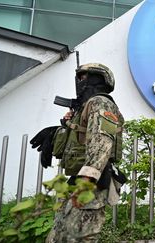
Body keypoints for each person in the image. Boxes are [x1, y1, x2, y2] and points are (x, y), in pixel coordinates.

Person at [30, 63, 126, 242]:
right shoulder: (87, 105)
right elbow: (80, 137)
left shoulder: (100, 102)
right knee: (60, 235)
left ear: (98, 79)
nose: (79, 81)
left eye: (84, 77)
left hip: (91, 183)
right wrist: (57, 131)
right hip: (79, 179)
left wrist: (87, 179)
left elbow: (102, 140)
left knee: (80, 236)